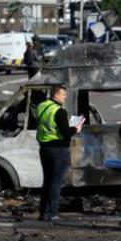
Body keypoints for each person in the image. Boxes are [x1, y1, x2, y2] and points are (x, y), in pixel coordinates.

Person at [36, 84, 82, 221]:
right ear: (55, 95)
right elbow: (66, 133)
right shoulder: (59, 111)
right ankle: (53, 213)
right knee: (56, 183)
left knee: (47, 181)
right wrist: (76, 129)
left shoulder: (42, 106)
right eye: (63, 94)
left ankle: (43, 212)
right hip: (58, 150)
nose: (65, 97)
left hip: (44, 148)